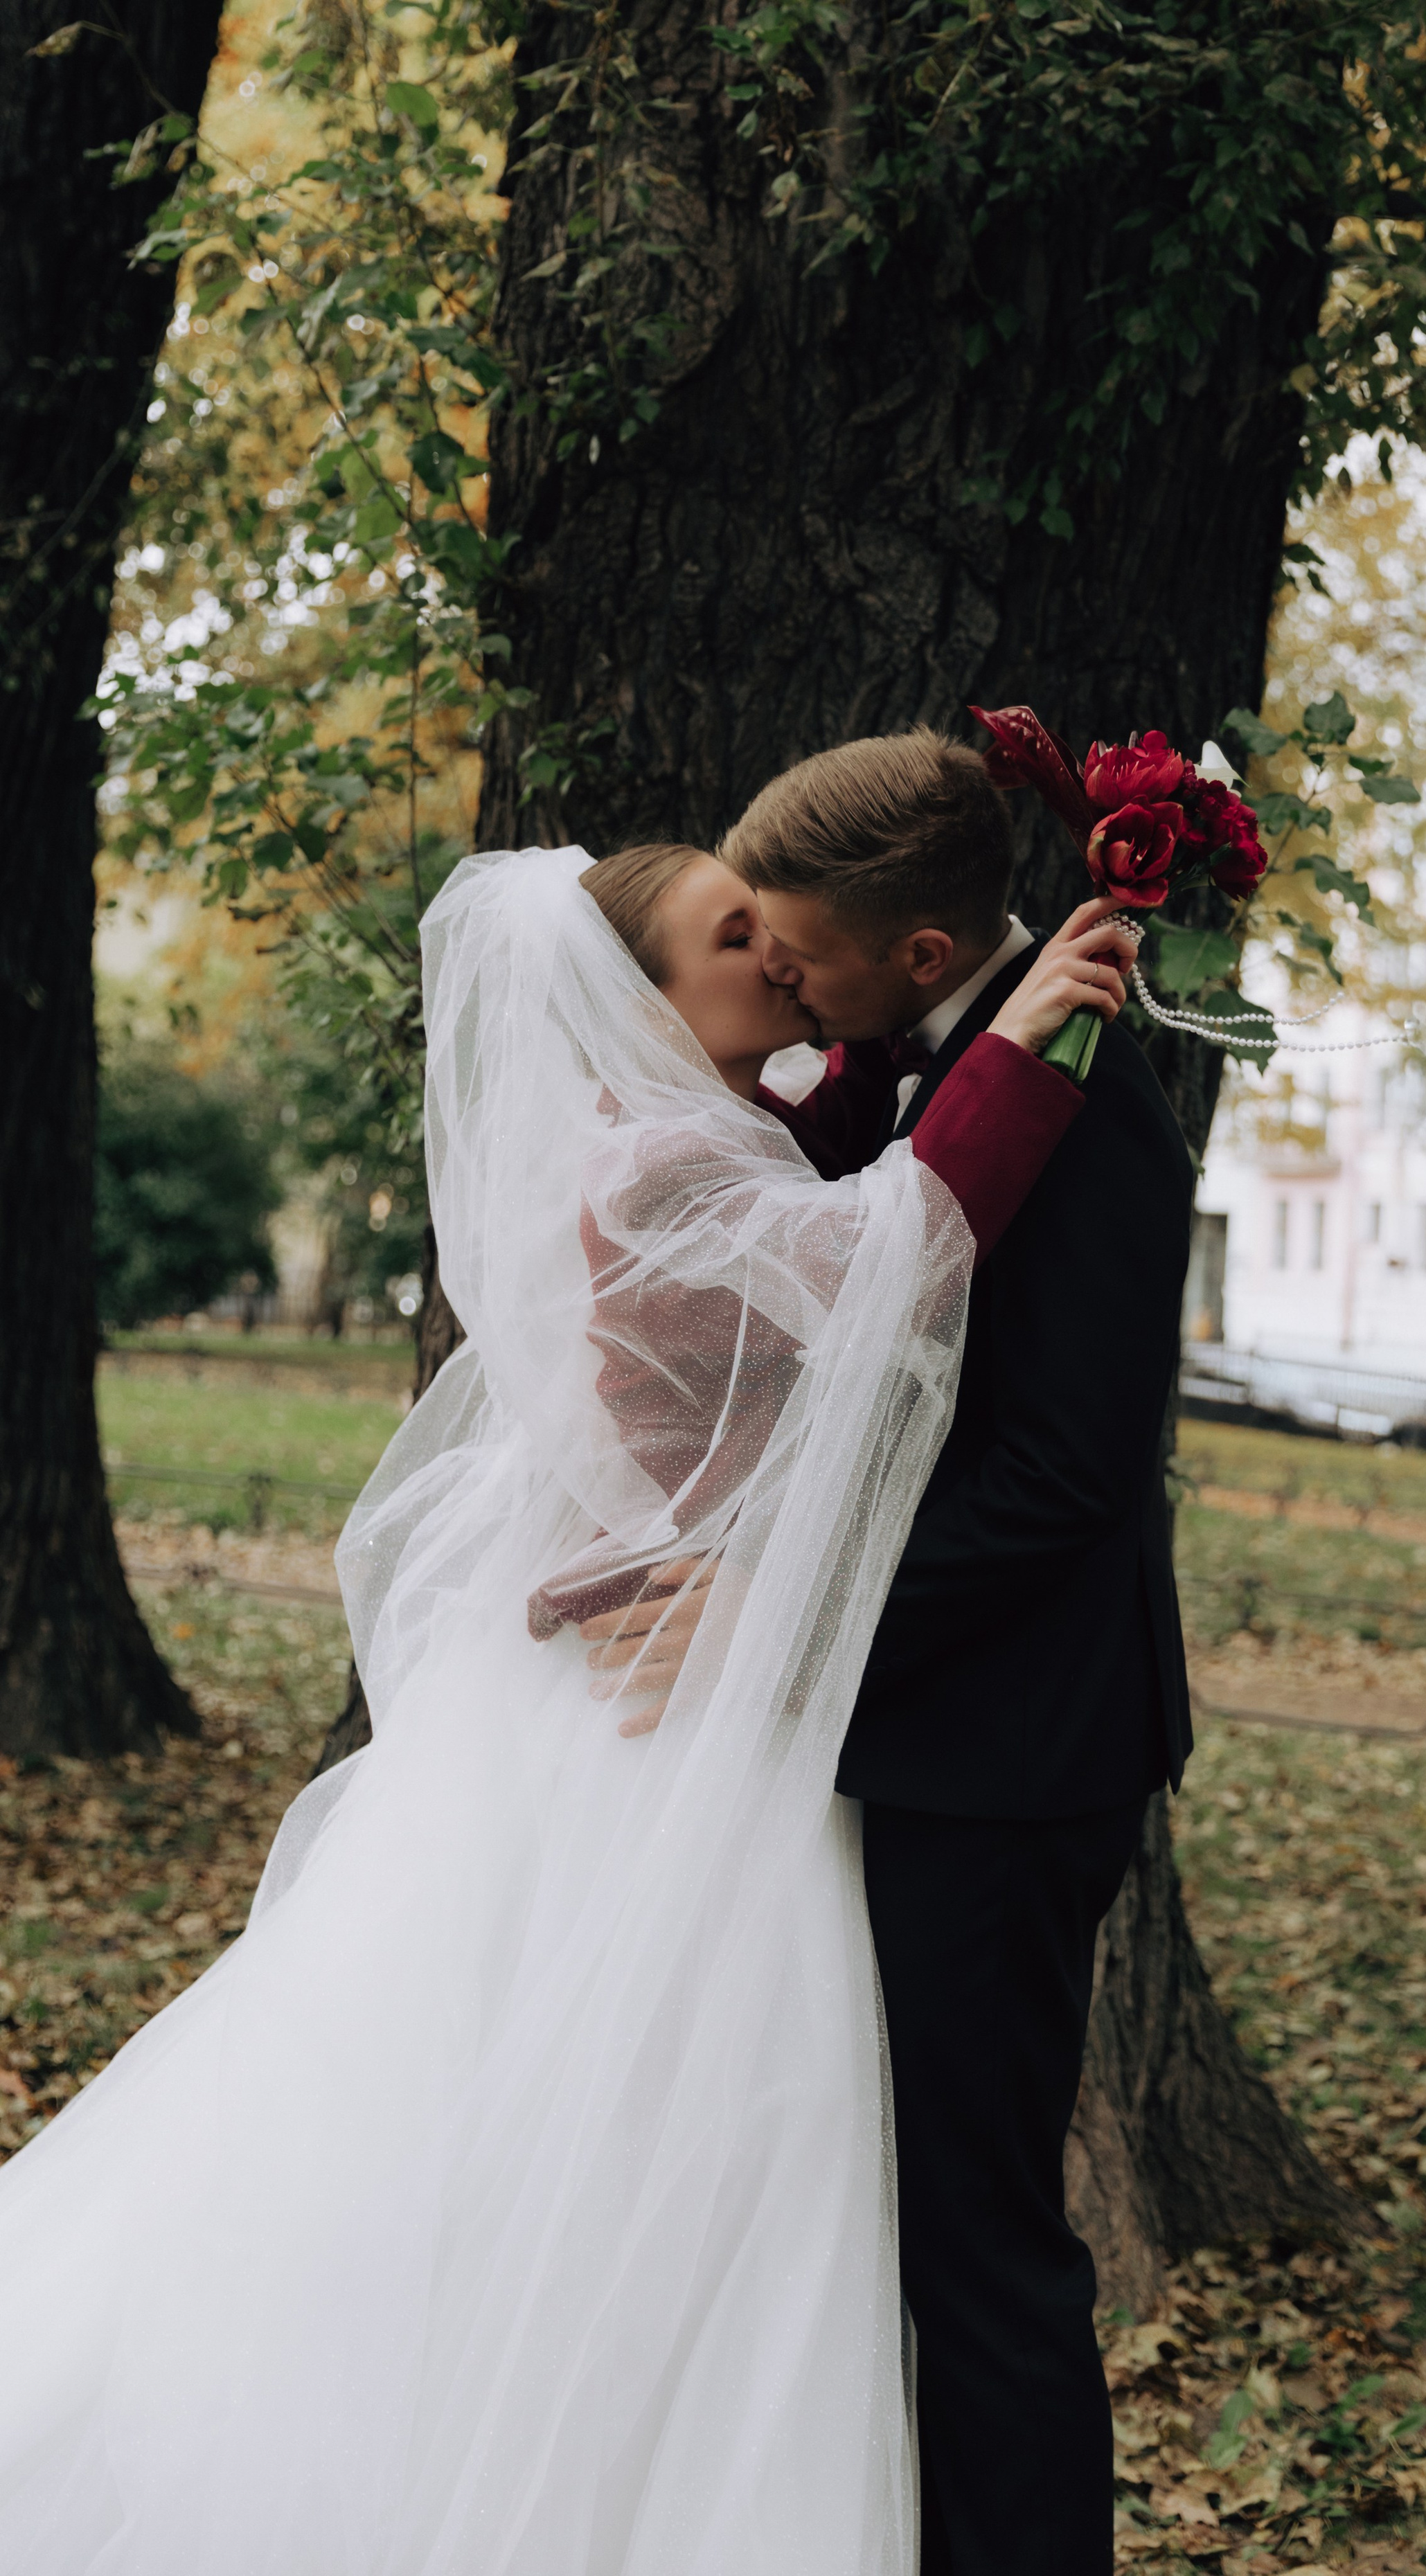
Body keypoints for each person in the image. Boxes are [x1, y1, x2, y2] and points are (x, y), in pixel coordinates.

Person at [0, 834, 1131, 2573]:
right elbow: (885, 1259)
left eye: (768, 922)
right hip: (654, 1722)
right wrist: (1015, 1046)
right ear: (637, 996)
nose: (774, 950)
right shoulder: (668, 1162)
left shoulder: (740, 1129)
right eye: (730, 933)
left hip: (708, 1704)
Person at [722, 726, 1196, 2576]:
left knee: (980, 2244)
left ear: (923, 958)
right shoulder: (921, 1068)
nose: (779, 977)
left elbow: (1059, 1482)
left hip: (1006, 1757)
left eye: (802, 953)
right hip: (916, 1736)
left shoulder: (1099, 1117)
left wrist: (792, 1625)